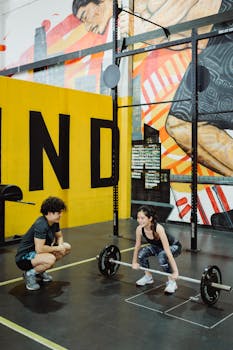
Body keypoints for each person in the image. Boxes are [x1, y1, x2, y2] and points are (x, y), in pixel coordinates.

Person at [15, 196, 71, 291]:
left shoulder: (54, 221)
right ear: (49, 212)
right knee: (50, 259)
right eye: (58, 212)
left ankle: (40, 271)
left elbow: (59, 236)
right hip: (24, 258)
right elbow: (40, 249)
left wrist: (61, 246)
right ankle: (29, 274)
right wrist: (57, 249)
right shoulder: (41, 225)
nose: (61, 215)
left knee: (67, 247)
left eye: (61, 212)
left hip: (37, 254)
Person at [132, 205, 182, 294]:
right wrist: (134, 262)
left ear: (150, 218)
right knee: (142, 254)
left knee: (162, 256)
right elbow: (137, 245)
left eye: (142, 218)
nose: (140, 220)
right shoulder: (139, 229)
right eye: (138, 218)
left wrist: (176, 272)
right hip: (159, 247)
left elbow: (167, 250)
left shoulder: (158, 228)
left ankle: (172, 282)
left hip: (174, 247)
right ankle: (148, 277)